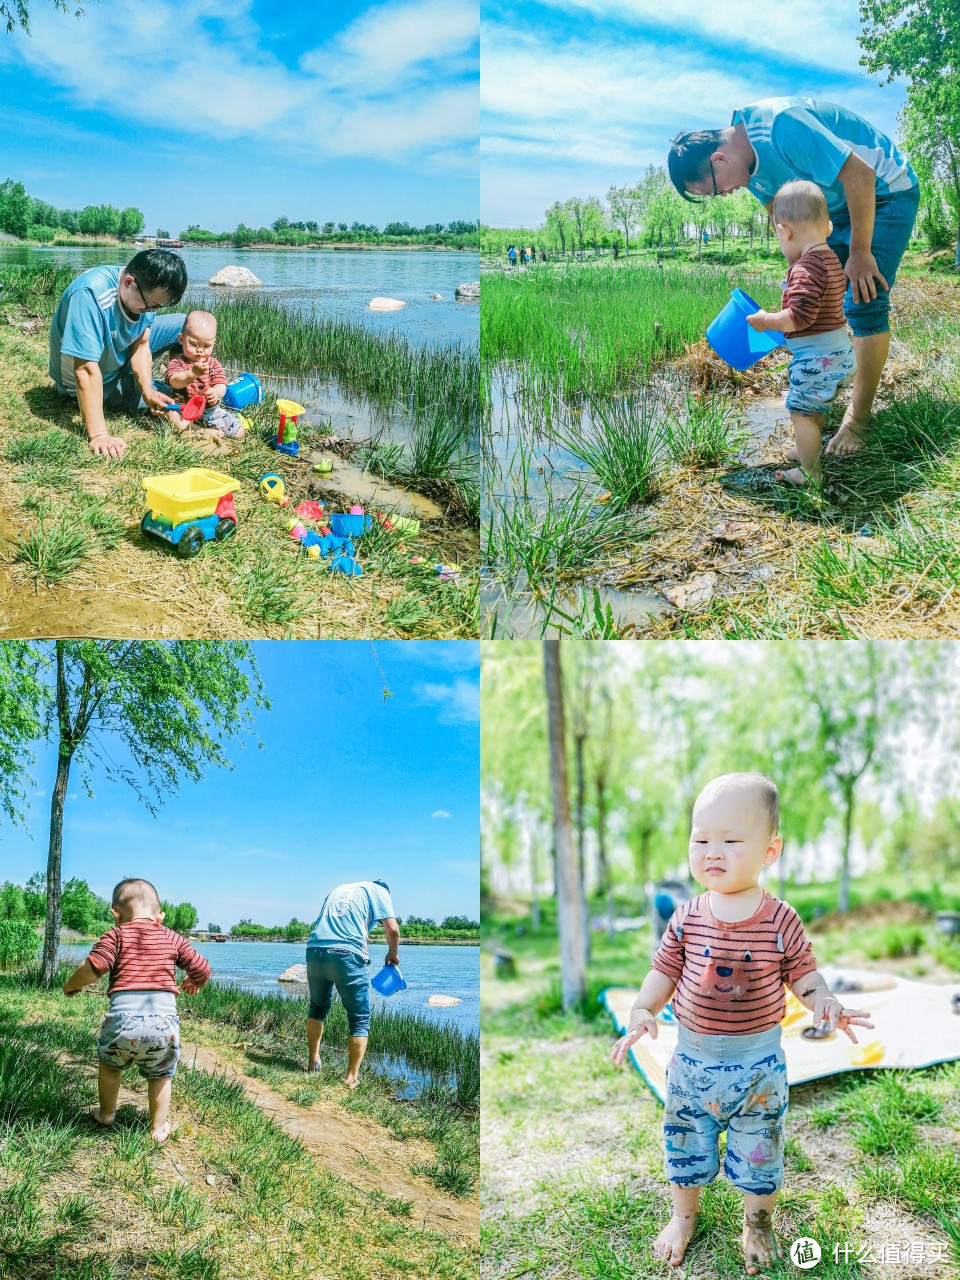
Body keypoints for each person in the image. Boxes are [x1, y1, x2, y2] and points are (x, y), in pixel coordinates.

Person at [610, 773, 873, 1274]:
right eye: (701, 839)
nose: (713, 850)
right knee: (685, 1147)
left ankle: (757, 1224)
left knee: (760, 1155)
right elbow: (663, 971)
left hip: (758, 1069)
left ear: (769, 851)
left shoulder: (781, 919)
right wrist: (643, 1009)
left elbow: (804, 975)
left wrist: (825, 1002)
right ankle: (683, 1216)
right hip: (691, 1063)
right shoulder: (685, 917)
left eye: (730, 841)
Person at [667, 98, 920, 456]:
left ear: (718, 159)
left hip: (882, 191)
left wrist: (860, 253)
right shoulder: (750, 172)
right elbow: (781, 220)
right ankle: (826, 386)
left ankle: (859, 420)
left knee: (864, 300)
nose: (723, 195)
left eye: (713, 189)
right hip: (833, 211)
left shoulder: (780, 127)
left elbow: (859, 173)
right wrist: (798, 280)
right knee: (825, 296)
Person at [62, 877, 211, 1143]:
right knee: (162, 1073)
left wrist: (71, 985)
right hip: (163, 1025)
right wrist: (193, 981)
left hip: (121, 1024)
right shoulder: (171, 937)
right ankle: (158, 1127)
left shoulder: (116, 934)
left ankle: (107, 1113)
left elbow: (94, 966)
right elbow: (202, 968)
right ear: (160, 916)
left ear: (115, 915)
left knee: (110, 1066)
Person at [746, 181, 855, 487]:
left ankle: (811, 472)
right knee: (813, 407)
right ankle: (808, 450)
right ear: (828, 227)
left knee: (801, 413)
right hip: (840, 355)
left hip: (817, 361)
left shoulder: (805, 268)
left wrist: (767, 320)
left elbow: (799, 317)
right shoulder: (831, 258)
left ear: (785, 231)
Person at [48, 248, 189, 460]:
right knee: (156, 399)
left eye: (158, 307)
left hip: (117, 354)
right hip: (92, 380)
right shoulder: (90, 294)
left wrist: (147, 389)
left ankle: (187, 387)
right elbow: (85, 370)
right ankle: (172, 397)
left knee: (186, 324)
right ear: (128, 283)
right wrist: (99, 435)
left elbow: (141, 346)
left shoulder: (143, 289)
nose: (152, 311)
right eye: (150, 306)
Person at [305, 879, 401, 1088]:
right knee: (359, 1017)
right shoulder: (380, 891)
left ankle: (313, 1063)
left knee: (317, 1008)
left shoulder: (340, 890)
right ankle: (351, 1077)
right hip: (346, 954)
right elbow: (392, 929)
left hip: (314, 950)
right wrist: (393, 954)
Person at [164, 310, 245, 441]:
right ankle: (202, 430)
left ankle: (202, 427)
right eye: (194, 344)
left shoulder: (213, 364)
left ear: (213, 343)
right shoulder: (177, 362)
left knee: (239, 432)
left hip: (209, 411)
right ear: (181, 339)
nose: (200, 350)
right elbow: (174, 381)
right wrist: (192, 374)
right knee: (170, 413)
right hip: (184, 410)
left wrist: (216, 392)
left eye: (207, 346)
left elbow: (221, 385)